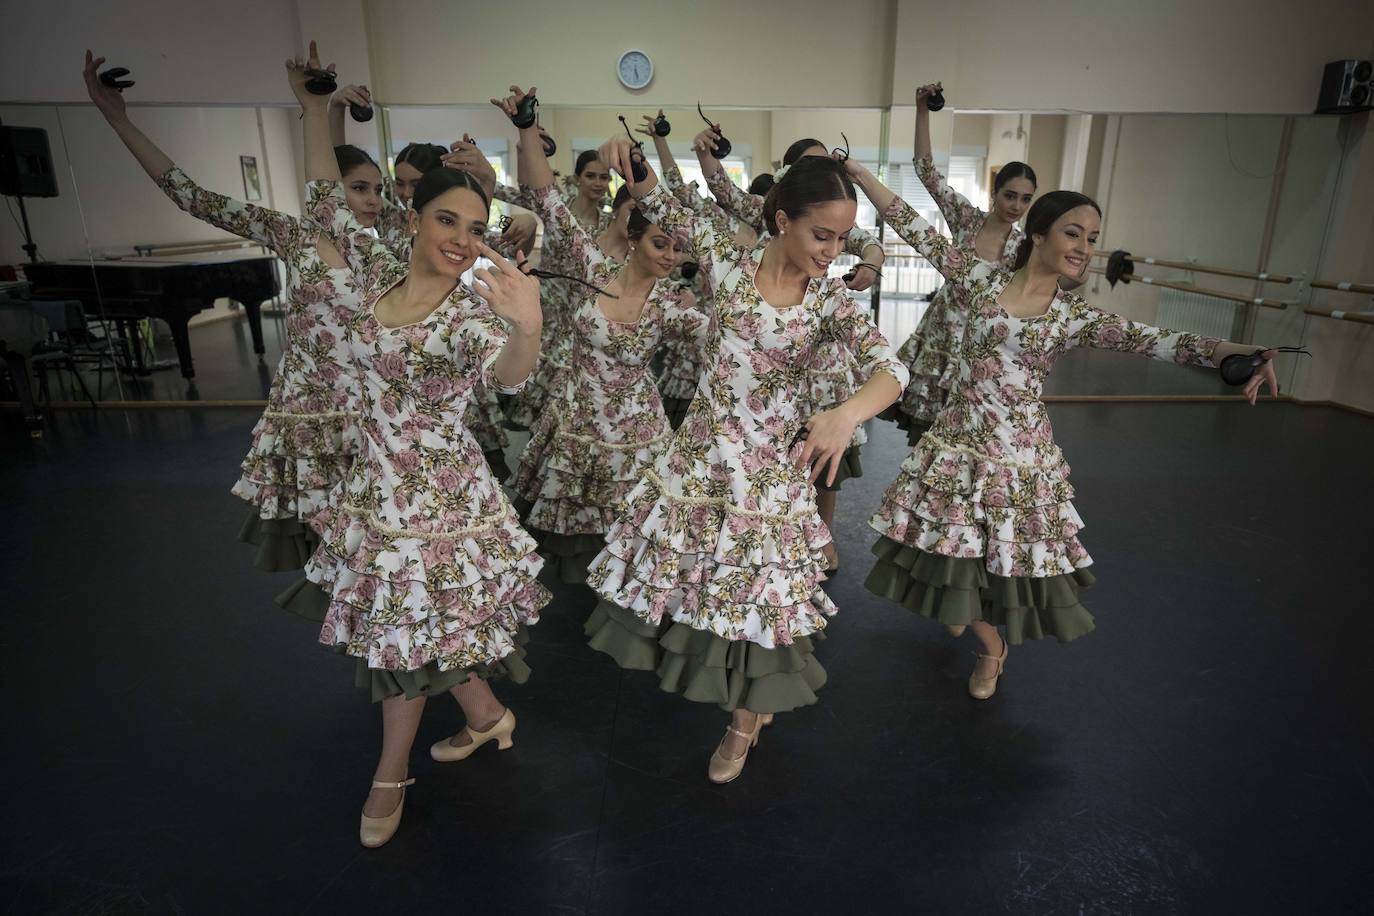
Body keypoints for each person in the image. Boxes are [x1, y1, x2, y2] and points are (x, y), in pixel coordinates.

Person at [841, 158, 1282, 701]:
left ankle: (990, 648)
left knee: (1005, 564)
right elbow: (908, 219)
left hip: (1018, 456)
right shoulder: (980, 280)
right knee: (941, 556)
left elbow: (1161, 340)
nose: (1084, 247)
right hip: (956, 444)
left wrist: (1240, 351)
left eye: (1093, 239)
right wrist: (860, 174)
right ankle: (978, 627)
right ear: (1038, 234)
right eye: (1074, 233)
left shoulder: (1073, 316)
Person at [584, 138, 908, 783]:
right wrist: (637, 165)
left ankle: (742, 720)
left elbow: (892, 369)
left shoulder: (829, 303)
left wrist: (846, 415)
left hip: (768, 476)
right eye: (822, 235)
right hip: (699, 467)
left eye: (842, 241)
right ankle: (745, 711)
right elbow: (668, 201)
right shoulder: (727, 268)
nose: (831, 252)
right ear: (782, 220)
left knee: (760, 601)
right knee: (705, 596)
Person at [294, 43, 547, 848]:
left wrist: (529, 324)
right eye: (447, 219)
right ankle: (487, 715)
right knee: (429, 629)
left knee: (404, 637)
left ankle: (390, 773)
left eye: (475, 228)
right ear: (413, 217)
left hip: (441, 504)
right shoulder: (369, 275)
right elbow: (321, 201)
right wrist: (312, 109)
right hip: (375, 493)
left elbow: (510, 377)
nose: (463, 239)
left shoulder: (476, 311)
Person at [83, 50, 371, 588]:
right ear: (330, 191)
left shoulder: (392, 249)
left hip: (374, 415)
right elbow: (188, 195)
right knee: (336, 556)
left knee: (378, 546)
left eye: (378, 189)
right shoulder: (295, 234)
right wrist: (118, 118)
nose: (372, 199)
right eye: (359, 187)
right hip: (309, 418)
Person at [496, 89, 707, 584]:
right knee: (575, 548)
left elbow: (732, 335)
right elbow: (547, 198)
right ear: (633, 236)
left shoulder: (673, 304)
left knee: (635, 539)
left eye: (677, 249)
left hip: (639, 434)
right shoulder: (590, 267)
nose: (669, 257)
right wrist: (527, 129)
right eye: (660, 243)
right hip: (578, 419)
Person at [883, 82, 1032, 450]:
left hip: (980, 342)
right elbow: (926, 170)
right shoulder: (968, 217)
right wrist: (922, 111)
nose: (1015, 205)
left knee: (963, 438)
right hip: (941, 334)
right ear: (995, 191)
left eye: (1025, 199)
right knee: (924, 437)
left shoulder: (1023, 246)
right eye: (1009, 195)